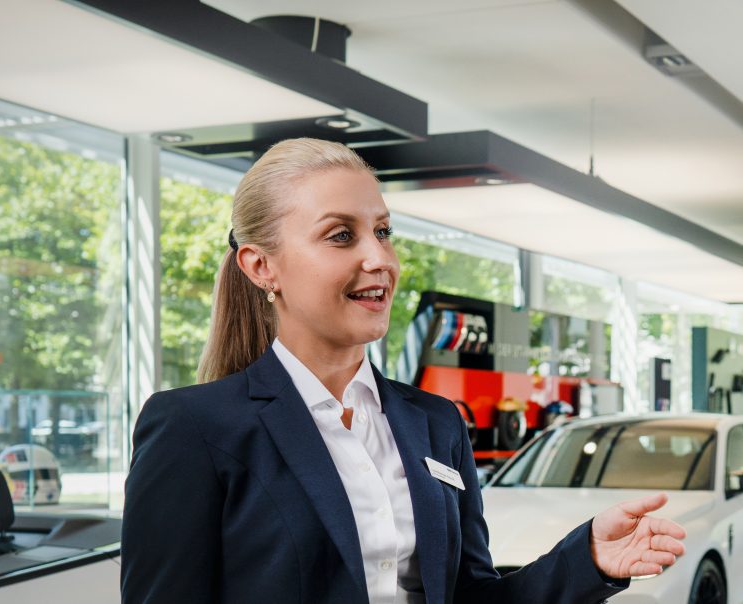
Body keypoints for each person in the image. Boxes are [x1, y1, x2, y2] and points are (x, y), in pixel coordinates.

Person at [121, 138, 686, 604]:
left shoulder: (435, 422)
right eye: (341, 235)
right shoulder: (193, 427)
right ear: (261, 266)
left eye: (383, 232)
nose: (380, 259)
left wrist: (586, 559)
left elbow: (471, 596)